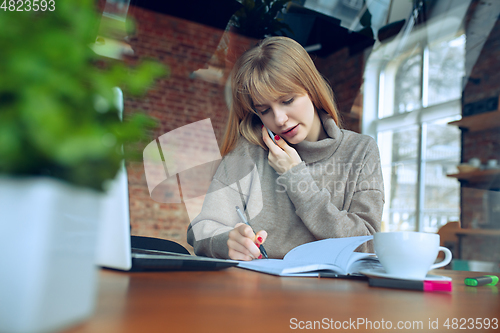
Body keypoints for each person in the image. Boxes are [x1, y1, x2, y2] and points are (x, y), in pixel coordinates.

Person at [187, 36, 384, 261]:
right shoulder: (250, 151)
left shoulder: (361, 150)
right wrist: (226, 242)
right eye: (264, 110)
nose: (279, 119)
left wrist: (296, 177)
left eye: (287, 100)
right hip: (258, 291)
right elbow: (200, 230)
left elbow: (368, 245)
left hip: (334, 292)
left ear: (311, 88)